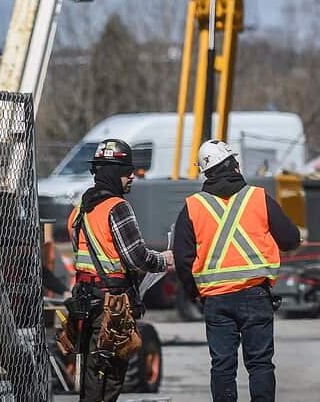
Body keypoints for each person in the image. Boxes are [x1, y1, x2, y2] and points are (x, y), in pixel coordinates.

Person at [172, 139, 301, 402]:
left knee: (222, 366)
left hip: (216, 300)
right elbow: (291, 239)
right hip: (255, 295)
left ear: (206, 172)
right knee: (260, 364)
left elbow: (182, 258)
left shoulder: (194, 207)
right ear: (235, 165)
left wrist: (195, 293)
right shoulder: (258, 198)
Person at [68, 138, 174, 402]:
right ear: (114, 174)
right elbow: (136, 257)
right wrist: (164, 260)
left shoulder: (79, 210)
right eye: (127, 172)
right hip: (112, 304)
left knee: (91, 371)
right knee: (112, 373)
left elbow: (83, 252)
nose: (132, 177)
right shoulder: (118, 208)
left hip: (83, 300)